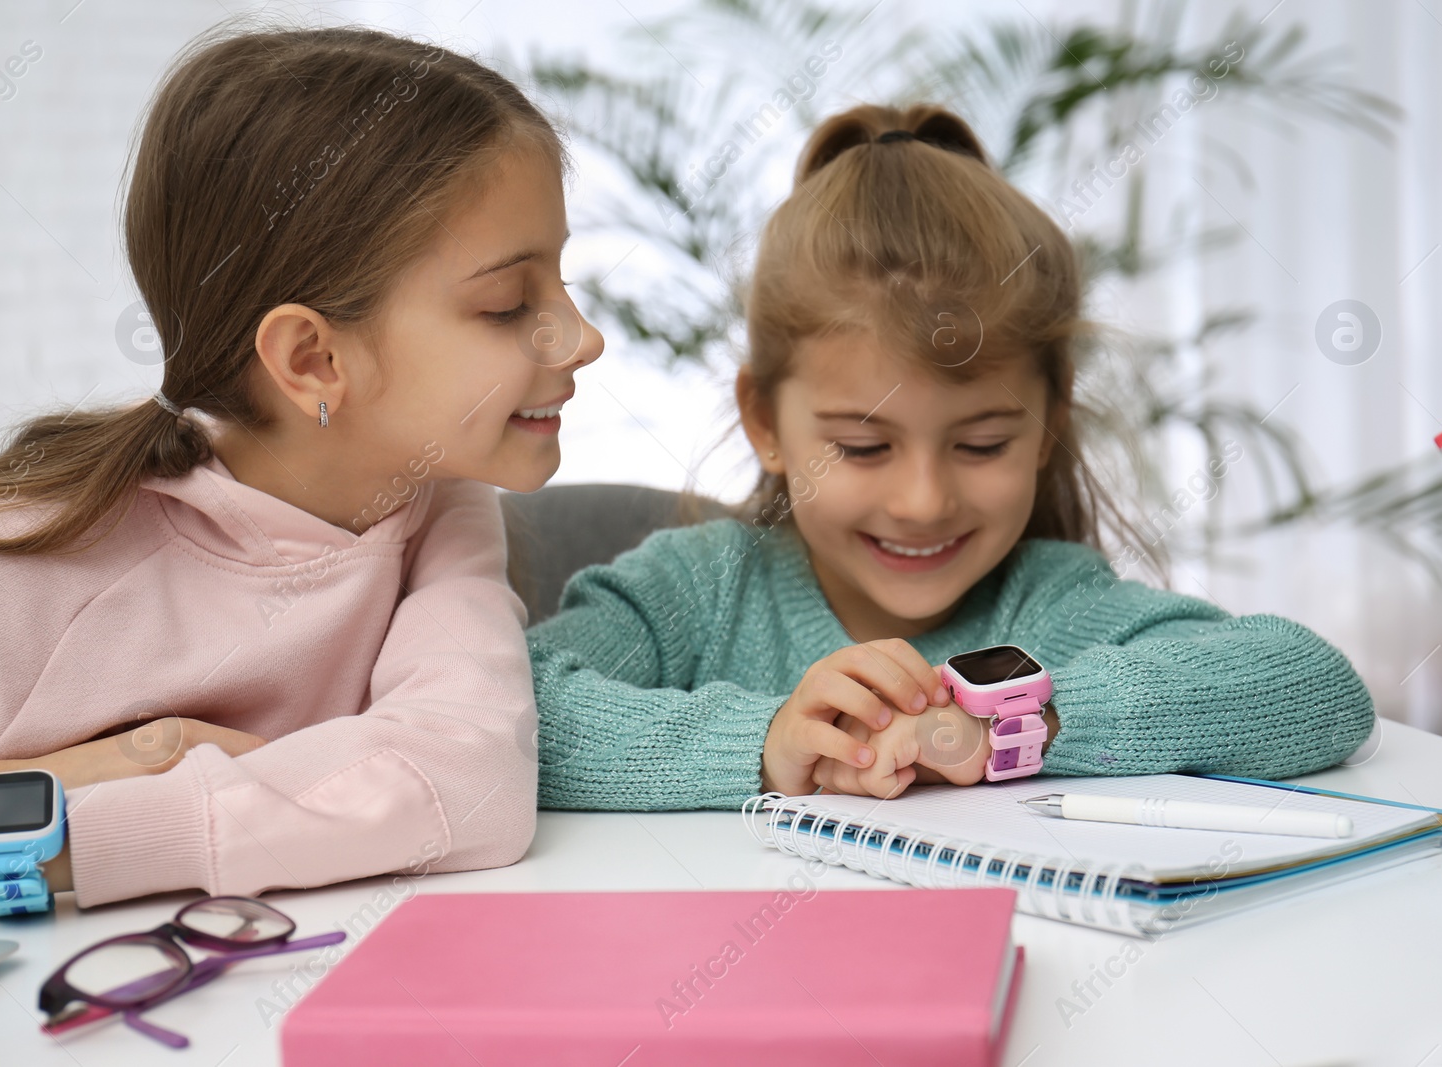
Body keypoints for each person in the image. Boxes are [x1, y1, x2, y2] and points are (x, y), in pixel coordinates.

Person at [528, 103, 1372, 809]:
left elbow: (1310, 684)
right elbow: (501, 711)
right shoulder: (699, 591)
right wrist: (770, 741)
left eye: (981, 443)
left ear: (1051, 420)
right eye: (863, 445)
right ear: (765, 421)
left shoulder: (1050, 602)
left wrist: (1012, 724)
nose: (924, 500)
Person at [0, 23, 602, 919]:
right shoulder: (2, 566)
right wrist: (126, 760)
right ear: (312, 359)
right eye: (506, 304)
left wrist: (73, 834)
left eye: (563, 280)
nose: (582, 336)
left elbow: (471, 781)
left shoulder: (440, 505)